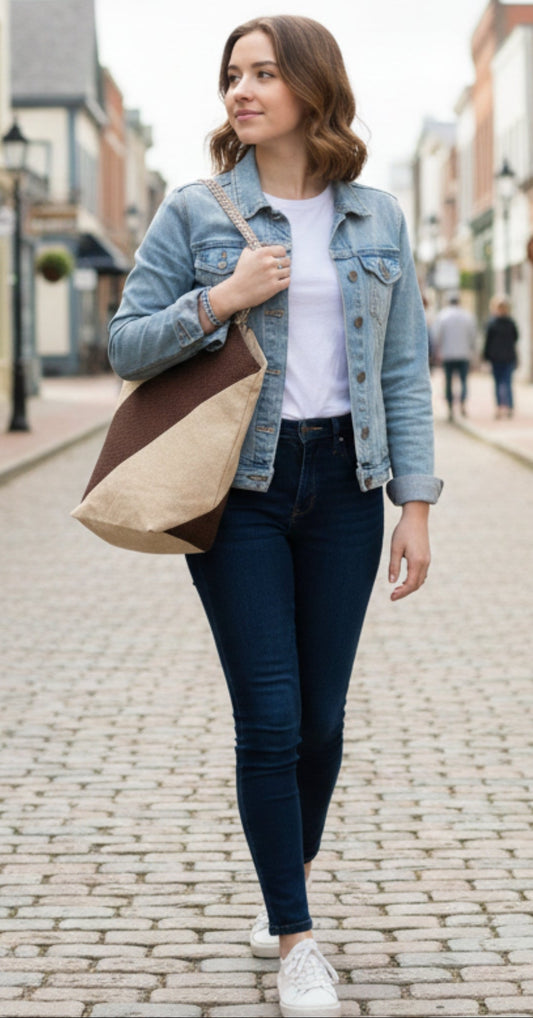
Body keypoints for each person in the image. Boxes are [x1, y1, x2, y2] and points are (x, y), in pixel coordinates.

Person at [108, 16, 443, 1017]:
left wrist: (413, 506)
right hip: (240, 489)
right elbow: (128, 344)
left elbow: (403, 373)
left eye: (261, 73)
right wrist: (219, 298)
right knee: (271, 714)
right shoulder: (193, 213)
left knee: (324, 723)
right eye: (230, 75)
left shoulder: (376, 217)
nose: (240, 91)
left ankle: (278, 872)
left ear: (309, 87)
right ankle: (296, 935)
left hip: (344, 482)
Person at [433, 294, 477, 420]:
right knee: (463, 381)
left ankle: (450, 407)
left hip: (447, 354)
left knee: (448, 381)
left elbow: (437, 336)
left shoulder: (443, 316)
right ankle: (462, 403)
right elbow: (472, 336)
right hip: (464, 354)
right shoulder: (467, 316)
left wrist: (437, 352)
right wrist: (473, 352)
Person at [483, 295, 519, 418]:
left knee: (498, 383)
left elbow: (487, 342)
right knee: (507, 382)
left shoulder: (492, 324)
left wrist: (485, 356)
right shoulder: (511, 323)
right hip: (508, 357)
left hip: (496, 358)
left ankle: (499, 408)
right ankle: (509, 407)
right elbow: (516, 338)